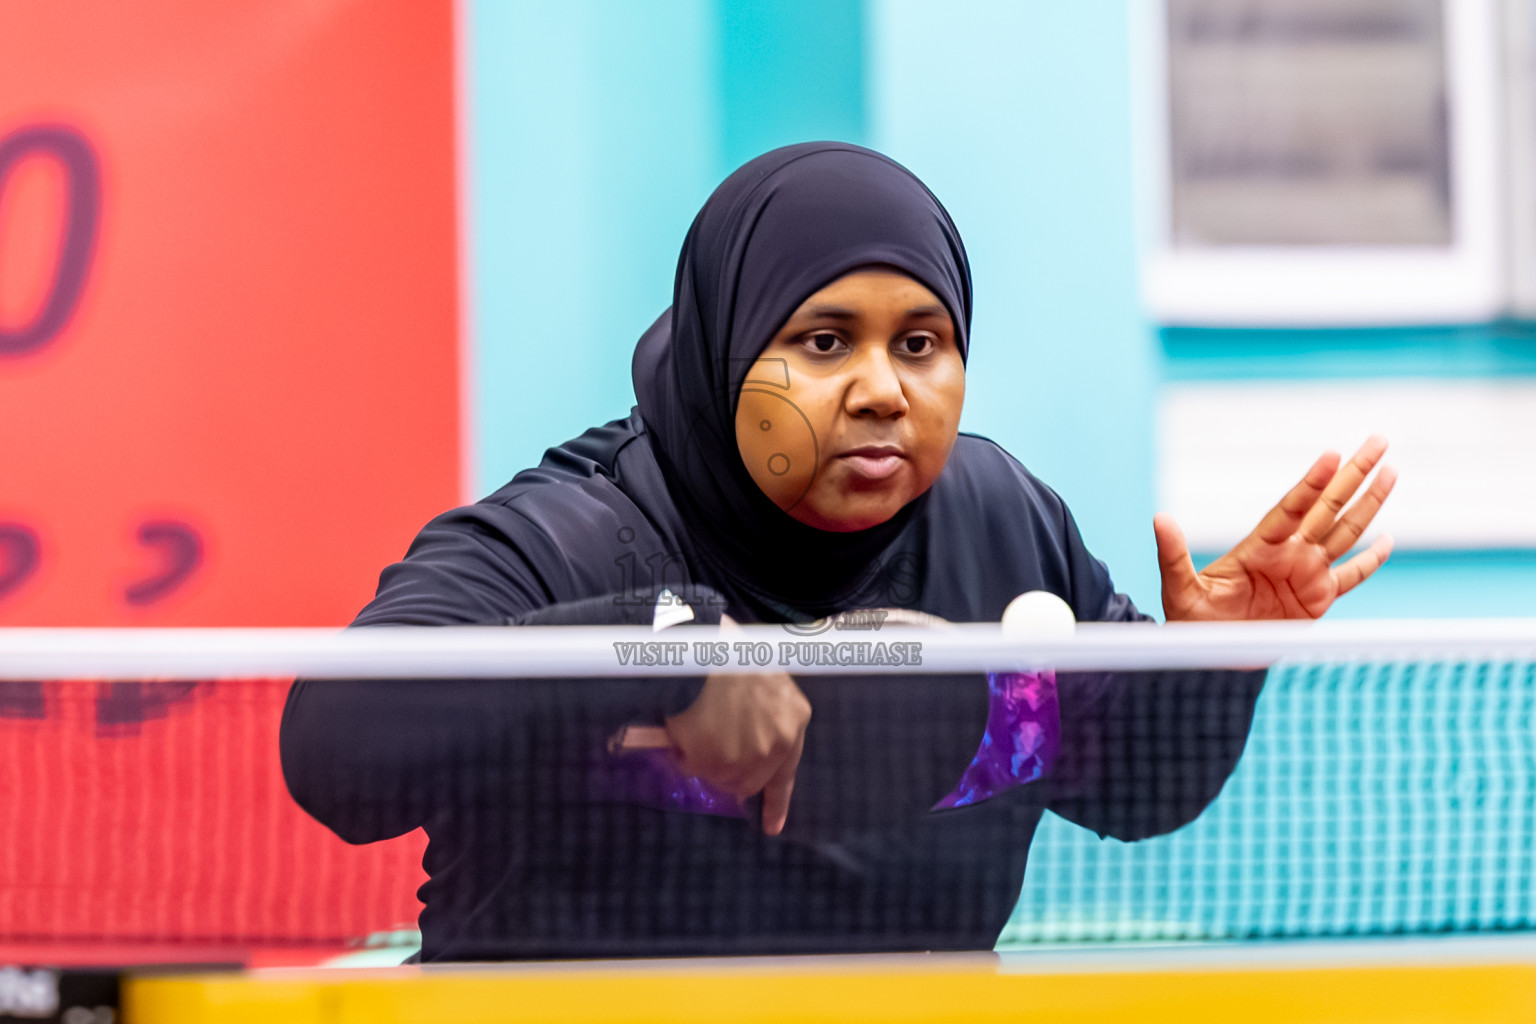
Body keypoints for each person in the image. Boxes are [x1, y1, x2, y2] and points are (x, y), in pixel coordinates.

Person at [280, 143, 1395, 961]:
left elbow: (1134, 789)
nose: (881, 389)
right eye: (823, 343)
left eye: (922, 344)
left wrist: (1212, 672)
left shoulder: (1004, 525)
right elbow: (334, 747)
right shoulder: (572, 533)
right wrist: (672, 648)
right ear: (726, 345)